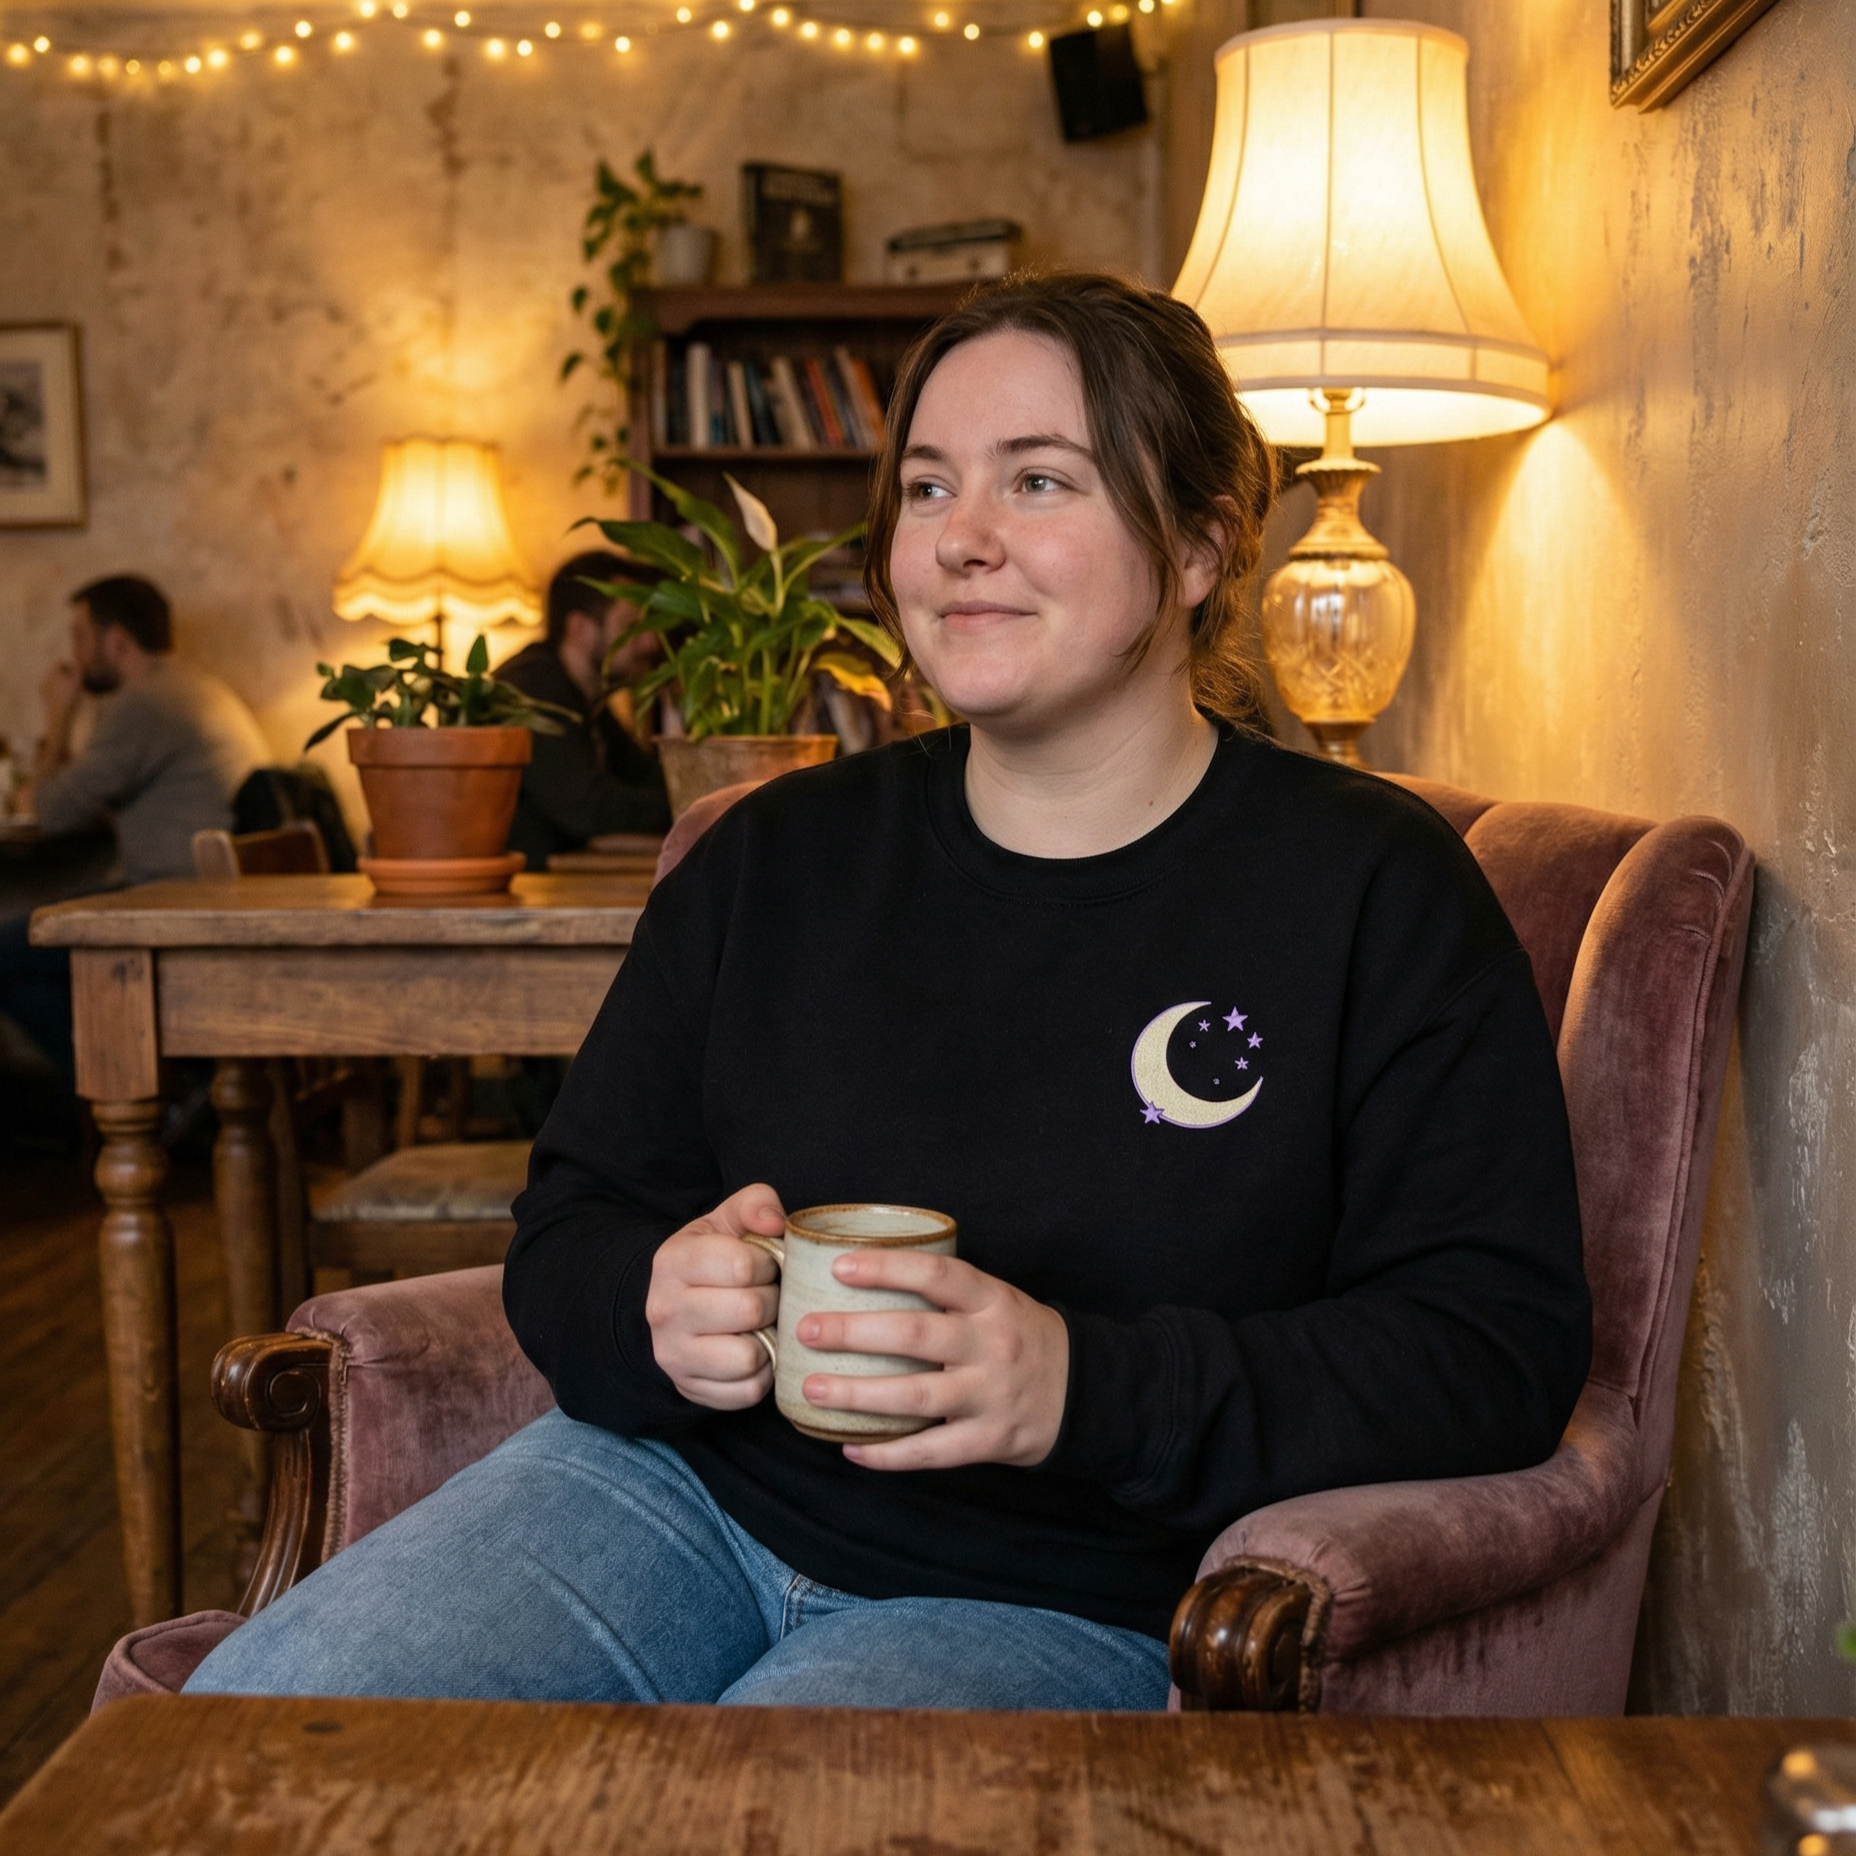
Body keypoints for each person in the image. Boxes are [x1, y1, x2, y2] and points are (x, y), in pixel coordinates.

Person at [187, 273, 1591, 1710]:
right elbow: (573, 1221)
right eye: (928, 489)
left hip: (1065, 1589)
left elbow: (1493, 1349)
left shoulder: (1370, 886)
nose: (962, 541)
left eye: (1038, 480)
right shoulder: (771, 857)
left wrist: (1077, 1387)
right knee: (246, 1750)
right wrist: (653, 1300)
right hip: (664, 1496)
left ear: (1195, 548)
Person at [0, 575, 270, 1085]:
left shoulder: (142, 705)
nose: (73, 657)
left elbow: (49, 811)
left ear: (116, 641)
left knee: (5, 957)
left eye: (80, 638)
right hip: (210, 894)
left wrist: (59, 713)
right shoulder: (196, 687)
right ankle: (157, 1090)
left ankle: (137, 1095)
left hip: (174, 900)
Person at [495, 552, 672, 870]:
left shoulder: (584, 698)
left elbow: (643, 774)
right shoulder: (532, 688)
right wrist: (688, 807)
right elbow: (590, 809)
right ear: (579, 627)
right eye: (630, 626)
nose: (650, 642)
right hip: (512, 906)